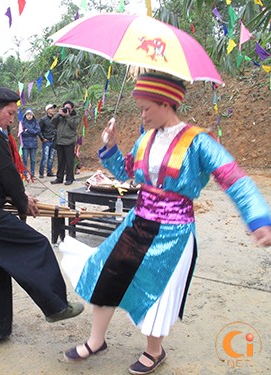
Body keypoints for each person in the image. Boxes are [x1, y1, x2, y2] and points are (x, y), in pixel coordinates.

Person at [60, 73, 271, 374]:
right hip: (138, 220)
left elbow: (233, 178)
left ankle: (154, 350)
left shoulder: (199, 141)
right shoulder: (146, 139)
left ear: (166, 103)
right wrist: (110, 146)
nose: (142, 115)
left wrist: (258, 217)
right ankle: (96, 340)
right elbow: (126, 172)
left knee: (156, 290)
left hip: (174, 231)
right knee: (107, 273)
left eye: (146, 108)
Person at [0, 86, 84, 341]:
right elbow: (7, 174)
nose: (12, 118)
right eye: (10, 113)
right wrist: (21, 201)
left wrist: (18, 199)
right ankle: (56, 306)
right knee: (36, 245)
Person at [50, 100, 80, 185]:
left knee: (69, 161)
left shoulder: (75, 117)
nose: (66, 109)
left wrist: (67, 116)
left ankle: (69, 178)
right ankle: (59, 178)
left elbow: (74, 126)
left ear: (72, 108)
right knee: (60, 161)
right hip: (60, 142)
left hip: (69, 142)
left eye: (68, 108)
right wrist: (58, 114)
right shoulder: (60, 117)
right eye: (65, 107)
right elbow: (52, 123)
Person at [19, 108, 41, 179]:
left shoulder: (35, 122)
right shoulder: (22, 122)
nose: (29, 116)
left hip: (34, 143)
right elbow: (22, 133)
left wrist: (28, 130)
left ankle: (32, 173)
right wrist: (31, 131)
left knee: (33, 160)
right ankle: (25, 173)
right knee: (25, 159)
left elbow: (37, 131)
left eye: (30, 114)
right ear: (25, 115)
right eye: (28, 114)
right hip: (25, 144)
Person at [38, 104, 57, 178]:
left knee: (51, 157)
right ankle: (41, 173)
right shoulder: (43, 120)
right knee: (45, 157)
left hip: (53, 140)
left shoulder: (55, 119)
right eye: (51, 108)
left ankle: (49, 172)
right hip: (46, 140)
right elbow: (38, 130)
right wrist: (42, 138)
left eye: (53, 108)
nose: (53, 110)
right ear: (47, 110)